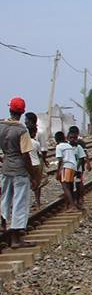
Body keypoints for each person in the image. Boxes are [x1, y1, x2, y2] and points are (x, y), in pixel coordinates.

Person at [0, 97, 41, 248]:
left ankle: (4, 227)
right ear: (22, 112)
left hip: (6, 170)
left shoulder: (1, 126)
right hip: (19, 172)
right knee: (19, 204)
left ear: (10, 109)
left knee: (5, 201)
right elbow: (26, 156)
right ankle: (16, 239)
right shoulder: (22, 130)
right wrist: (33, 175)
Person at [55, 128, 80, 209]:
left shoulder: (59, 147)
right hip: (73, 166)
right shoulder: (68, 145)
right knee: (70, 186)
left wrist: (58, 172)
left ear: (56, 140)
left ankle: (72, 205)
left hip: (66, 167)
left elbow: (60, 161)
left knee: (65, 187)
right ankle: (68, 204)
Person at [70, 126, 89, 210]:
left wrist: (88, 163)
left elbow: (84, 154)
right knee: (74, 183)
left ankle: (79, 198)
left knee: (78, 182)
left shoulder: (80, 143)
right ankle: (77, 198)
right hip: (72, 167)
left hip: (78, 167)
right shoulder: (70, 143)